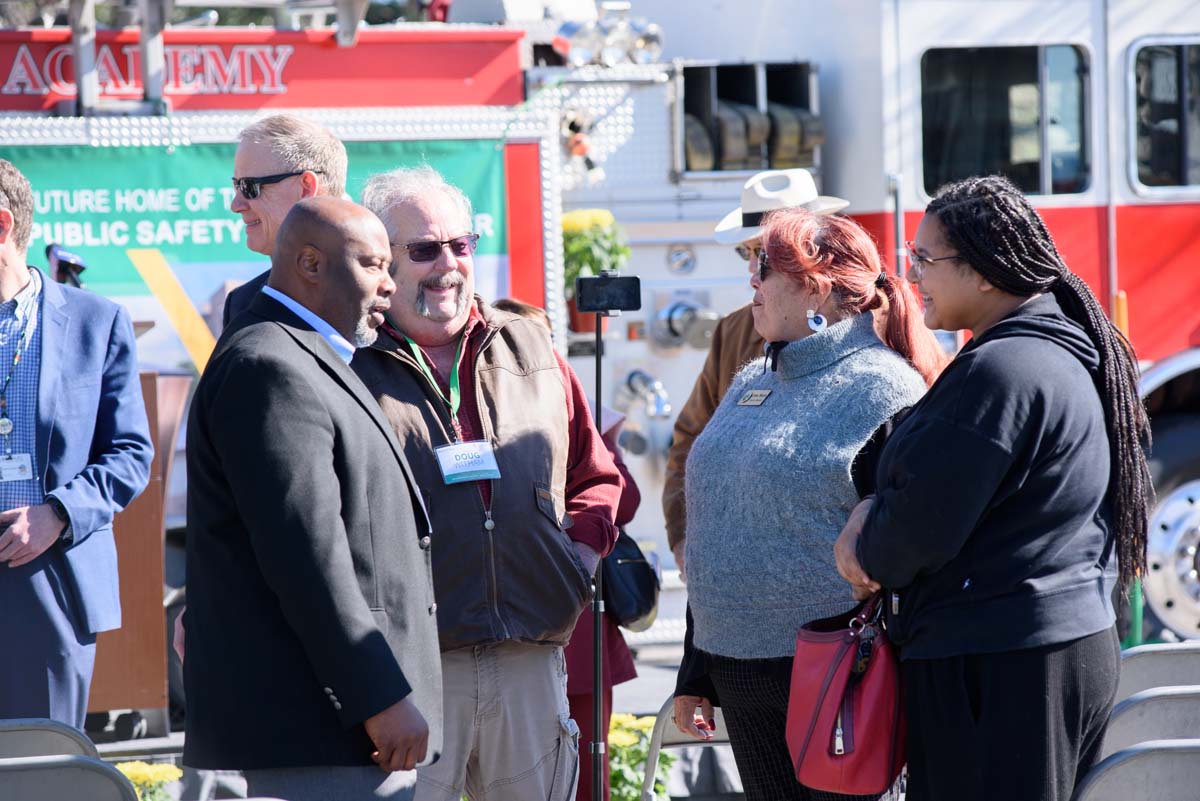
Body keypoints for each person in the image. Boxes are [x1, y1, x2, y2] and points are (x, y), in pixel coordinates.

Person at [834, 175, 1151, 801]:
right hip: (1052, 647)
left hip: (1003, 662)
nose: (911, 274)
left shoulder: (999, 371)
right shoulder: (1057, 349)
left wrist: (861, 542)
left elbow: (916, 530)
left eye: (924, 259)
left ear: (983, 273)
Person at [352, 166, 622, 801]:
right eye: (423, 250)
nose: (447, 264)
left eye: (460, 245)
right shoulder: (349, 365)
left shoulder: (531, 346)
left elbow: (595, 474)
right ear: (382, 263)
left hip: (528, 656)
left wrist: (576, 557)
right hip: (410, 671)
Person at [673, 208, 944, 801]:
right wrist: (695, 672)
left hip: (837, 671)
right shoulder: (751, 379)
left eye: (763, 266)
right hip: (736, 666)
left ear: (816, 286)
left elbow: (906, 547)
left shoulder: (885, 388)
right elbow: (718, 525)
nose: (751, 279)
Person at [183, 197, 441, 801]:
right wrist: (377, 695)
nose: (389, 283)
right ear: (309, 263)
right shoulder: (270, 366)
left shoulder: (307, 355)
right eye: (374, 265)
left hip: (344, 728)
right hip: (326, 727)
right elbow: (305, 556)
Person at [0, 159, 154, 730]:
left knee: (38, 771)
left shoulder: (96, 322)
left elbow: (130, 453)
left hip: (48, 575)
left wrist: (57, 515)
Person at [664, 168, 849, 578]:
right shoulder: (734, 329)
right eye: (747, 252)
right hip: (742, 577)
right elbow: (689, 439)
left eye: (765, 254)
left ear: (810, 253)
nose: (753, 269)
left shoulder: (867, 325)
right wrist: (682, 537)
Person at [491, 297, 639, 801]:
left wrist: (580, 549)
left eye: (542, 340)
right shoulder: (482, 406)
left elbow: (625, 497)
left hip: (577, 619)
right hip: (511, 632)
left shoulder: (580, 403)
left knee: (587, 779)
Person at [222, 114, 348, 326]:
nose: (236, 205)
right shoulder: (241, 304)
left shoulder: (379, 293)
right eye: (237, 186)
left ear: (306, 187)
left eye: (249, 187)